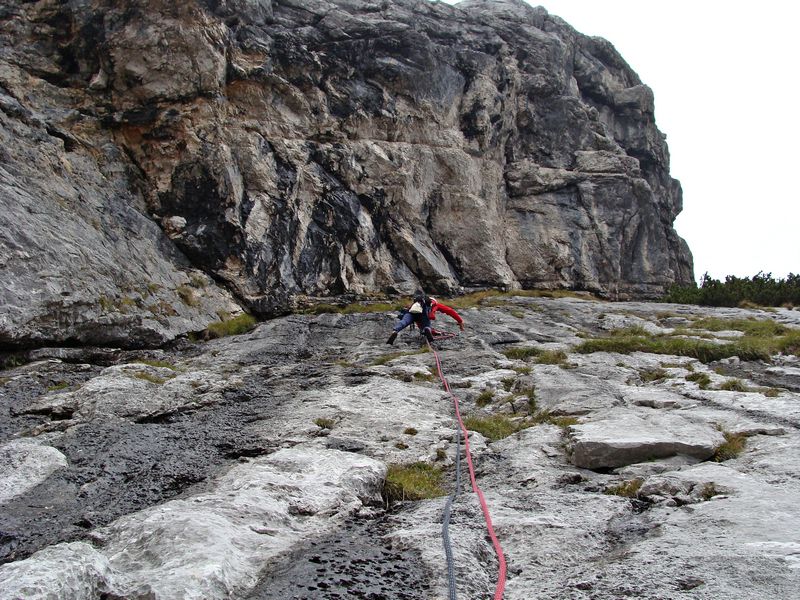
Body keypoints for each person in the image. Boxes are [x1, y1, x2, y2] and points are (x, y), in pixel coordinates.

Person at [387, 291, 465, 344]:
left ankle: (395, 331)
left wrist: (397, 316)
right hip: (424, 315)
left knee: (404, 322)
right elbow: (450, 311)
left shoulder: (415, 305)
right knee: (426, 326)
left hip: (411, 313)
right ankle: (427, 329)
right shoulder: (435, 305)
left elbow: (406, 315)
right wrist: (460, 321)